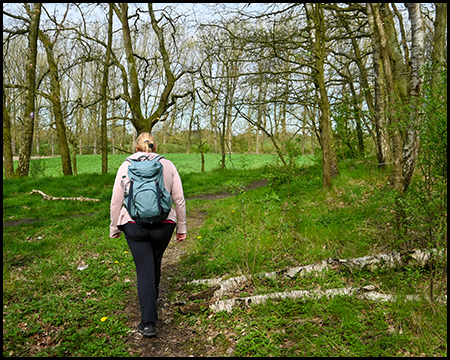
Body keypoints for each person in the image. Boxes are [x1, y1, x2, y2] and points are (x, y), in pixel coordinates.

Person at [110, 132, 186, 338]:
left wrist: (114, 227)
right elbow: (179, 200)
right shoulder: (168, 165)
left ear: (136, 148)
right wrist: (182, 228)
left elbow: (116, 201)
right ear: (155, 147)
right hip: (164, 224)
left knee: (144, 270)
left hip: (135, 226)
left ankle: (148, 322)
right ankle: (151, 303)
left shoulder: (125, 166)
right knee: (155, 263)